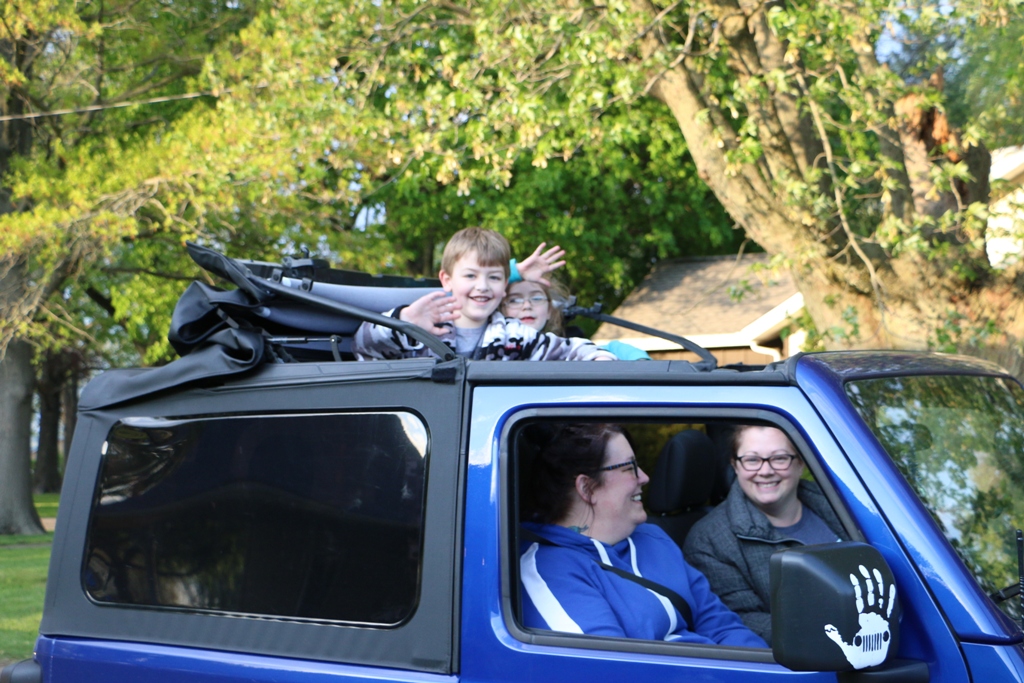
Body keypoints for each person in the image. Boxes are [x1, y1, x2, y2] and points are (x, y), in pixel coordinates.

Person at [519, 423, 766, 647]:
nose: (644, 478)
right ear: (587, 487)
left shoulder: (653, 538)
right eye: (629, 468)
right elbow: (611, 668)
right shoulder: (548, 570)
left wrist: (764, 671)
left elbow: (722, 626)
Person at [683, 425, 849, 642]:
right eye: (752, 460)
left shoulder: (844, 508)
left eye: (779, 458)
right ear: (735, 466)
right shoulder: (709, 540)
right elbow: (740, 621)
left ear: (800, 463)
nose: (765, 471)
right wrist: (828, 631)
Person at [353, 228, 615, 361]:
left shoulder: (514, 336)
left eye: (494, 278)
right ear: (446, 280)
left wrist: (600, 358)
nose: (483, 286)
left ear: (505, 285)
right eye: (470, 276)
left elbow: (568, 351)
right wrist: (405, 320)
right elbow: (362, 345)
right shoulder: (421, 327)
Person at [501, 280, 651, 361]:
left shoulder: (558, 349)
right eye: (514, 300)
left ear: (550, 310)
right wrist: (517, 271)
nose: (527, 305)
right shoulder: (493, 345)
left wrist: (640, 363)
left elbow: (612, 349)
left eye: (537, 298)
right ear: (500, 309)